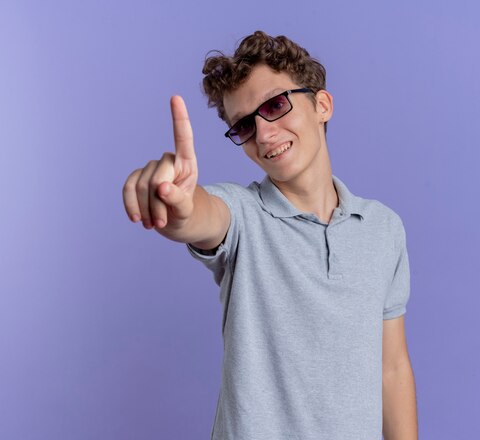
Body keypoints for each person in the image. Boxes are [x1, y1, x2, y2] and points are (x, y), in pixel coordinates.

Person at [122, 30, 418, 440]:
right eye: (244, 126)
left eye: (276, 105)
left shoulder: (383, 228)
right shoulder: (242, 215)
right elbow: (203, 217)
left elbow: (392, 367)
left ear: (322, 105)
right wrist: (179, 205)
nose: (262, 134)